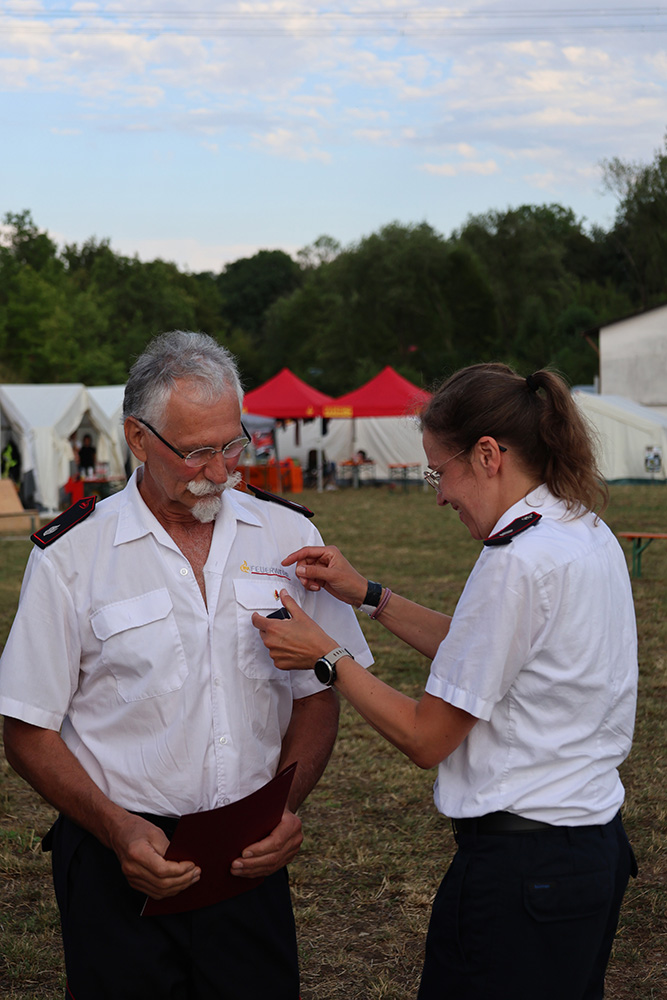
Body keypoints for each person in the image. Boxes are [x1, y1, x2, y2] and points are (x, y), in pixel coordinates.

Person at [0, 330, 372, 1000]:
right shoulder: (72, 555)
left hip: (248, 857)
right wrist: (118, 830)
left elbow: (318, 695)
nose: (221, 470)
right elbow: (27, 728)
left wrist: (283, 809)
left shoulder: (288, 538)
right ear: (138, 440)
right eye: (196, 451)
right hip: (121, 862)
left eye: (233, 445)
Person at [252, 363, 638, 1000]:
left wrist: (328, 655)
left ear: (487, 455)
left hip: (523, 872)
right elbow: (485, 650)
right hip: (588, 854)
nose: (438, 494)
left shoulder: (516, 560)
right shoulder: (581, 529)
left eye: (440, 471)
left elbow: (426, 738)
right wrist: (369, 595)